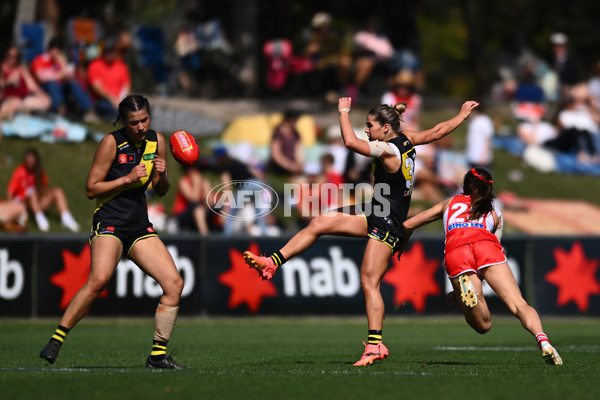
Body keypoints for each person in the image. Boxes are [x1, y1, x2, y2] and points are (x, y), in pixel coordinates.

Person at [244, 96, 479, 366]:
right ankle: (272, 263)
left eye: (370, 125)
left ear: (386, 128)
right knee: (320, 222)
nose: (367, 130)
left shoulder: (388, 150)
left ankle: (376, 345)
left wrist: (343, 112)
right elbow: (438, 131)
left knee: (369, 282)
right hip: (376, 211)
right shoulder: (407, 139)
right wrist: (461, 115)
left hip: (387, 221)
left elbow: (350, 142)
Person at [39, 95, 185, 369]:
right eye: (134, 122)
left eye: (144, 120)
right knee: (99, 281)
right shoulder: (111, 143)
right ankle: (56, 339)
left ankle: (156, 358)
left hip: (138, 225)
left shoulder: (157, 141)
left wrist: (163, 176)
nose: (141, 126)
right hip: (109, 222)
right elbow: (91, 188)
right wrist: (127, 179)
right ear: (123, 122)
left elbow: (160, 190)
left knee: (174, 284)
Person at [402, 167, 562, 365]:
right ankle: (544, 342)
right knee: (519, 304)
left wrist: (401, 246)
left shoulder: (449, 203)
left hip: (457, 250)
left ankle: (465, 293)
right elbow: (492, 250)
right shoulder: (495, 214)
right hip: (487, 247)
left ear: (465, 186)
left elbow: (408, 225)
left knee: (483, 325)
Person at [7, 148, 79, 232]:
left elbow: (45, 187)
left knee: (58, 191)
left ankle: (66, 217)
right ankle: (40, 219)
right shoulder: (20, 171)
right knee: (32, 194)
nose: (30, 161)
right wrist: (11, 207)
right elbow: (10, 191)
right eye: (28, 158)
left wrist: (42, 192)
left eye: (32, 158)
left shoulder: (39, 171)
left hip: (38, 201)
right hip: (24, 204)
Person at [30, 37, 96, 121]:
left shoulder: (59, 61)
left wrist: (62, 63)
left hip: (60, 89)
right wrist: (60, 74)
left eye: (59, 49)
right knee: (52, 83)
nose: (57, 52)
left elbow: (69, 76)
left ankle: (88, 110)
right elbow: (42, 78)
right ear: (50, 48)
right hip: (45, 89)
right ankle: (59, 108)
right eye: (55, 48)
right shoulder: (40, 60)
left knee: (72, 83)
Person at [0, 46, 51, 119]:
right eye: (9, 56)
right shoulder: (2, 68)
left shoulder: (21, 68)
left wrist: (41, 93)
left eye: (15, 57)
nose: (12, 59)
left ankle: (18, 114)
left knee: (46, 100)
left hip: (23, 98)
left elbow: (32, 85)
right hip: (9, 98)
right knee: (16, 103)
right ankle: (9, 114)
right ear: (5, 55)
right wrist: (8, 82)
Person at [87, 38, 131, 121]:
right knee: (111, 109)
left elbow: (126, 86)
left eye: (113, 51)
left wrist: (123, 99)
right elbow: (96, 87)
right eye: (108, 51)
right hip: (102, 100)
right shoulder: (95, 65)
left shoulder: (121, 66)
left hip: (119, 100)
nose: (110, 54)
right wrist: (112, 98)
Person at [267, 109, 304, 179]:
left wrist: (299, 165)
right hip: (279, 167)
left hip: (292, 166)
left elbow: (298, 152)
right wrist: (289, 166)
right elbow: (276, 154)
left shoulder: (296, 134)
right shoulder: (278, 132)